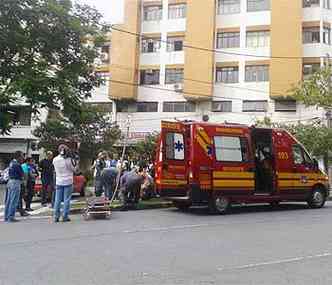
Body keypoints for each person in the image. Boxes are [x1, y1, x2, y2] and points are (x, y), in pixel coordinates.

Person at [53, 144, 79, 223]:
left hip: (59, 181)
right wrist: (77, 163)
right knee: (66, 199)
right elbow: (74, 170)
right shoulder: (68, 160)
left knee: (57, 199)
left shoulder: (55, 159)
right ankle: (65, 216)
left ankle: (56, 216)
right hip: (68, 180)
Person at [4, 151, 25, 222]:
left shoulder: (11, 163)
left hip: (10, 181)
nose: (23, 158)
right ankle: (11, 217)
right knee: (14, 200)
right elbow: (22, 174)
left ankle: (6, 216)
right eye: (22, 156)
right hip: (16, 182)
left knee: (9, 200)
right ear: (18, 157)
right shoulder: (17, 164)